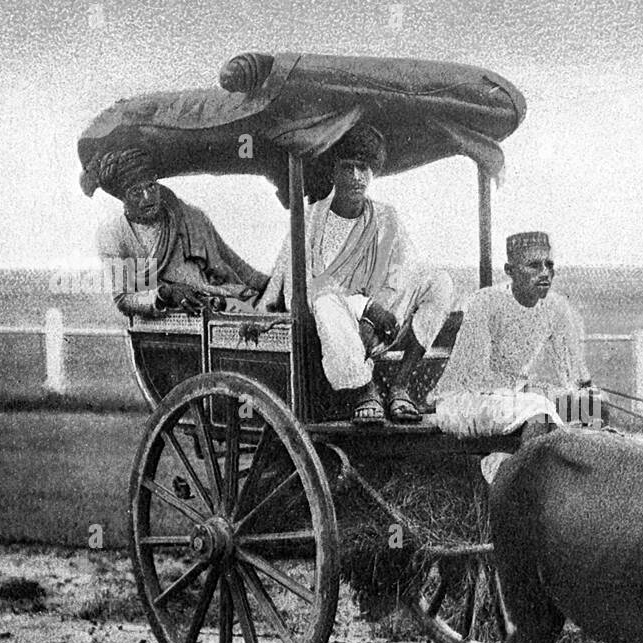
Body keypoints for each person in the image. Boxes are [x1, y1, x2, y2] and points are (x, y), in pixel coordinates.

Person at [261, 124, 454, 424]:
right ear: (332, 172)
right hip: (330, 328)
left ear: (372, 172)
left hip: (382, 324)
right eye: (347, 167)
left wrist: (376, 314)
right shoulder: (309, 220)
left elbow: (402, 273)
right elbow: (302, 290)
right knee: (325, 300)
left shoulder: (387, 217)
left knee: (438, 281)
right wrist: (363, 308)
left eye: (362, 168)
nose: (355, 177)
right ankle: (365, 389)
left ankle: (400, 385)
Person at [432, 231, 595, 438]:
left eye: (549, 265)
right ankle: (509, 468)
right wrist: (532, 390)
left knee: (591, 405)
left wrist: (584, 392)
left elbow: (574, 373)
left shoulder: (556, 306)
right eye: (534, 266)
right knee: (539, 409)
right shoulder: (485, 302)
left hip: (514, 400)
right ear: (510, 271)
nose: (545, 273)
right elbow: (475, 378)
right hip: (463, 401)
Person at [83, 148, 269, 318]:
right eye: (136, 192)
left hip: (223, 306)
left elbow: (236, 266)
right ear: (122, 197)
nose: (148, 197)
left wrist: (272, 284)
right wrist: (166, 293)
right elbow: (123, 299)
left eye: (151, 186)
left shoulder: (192, 216)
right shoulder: (112, 234)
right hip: (168, 327)